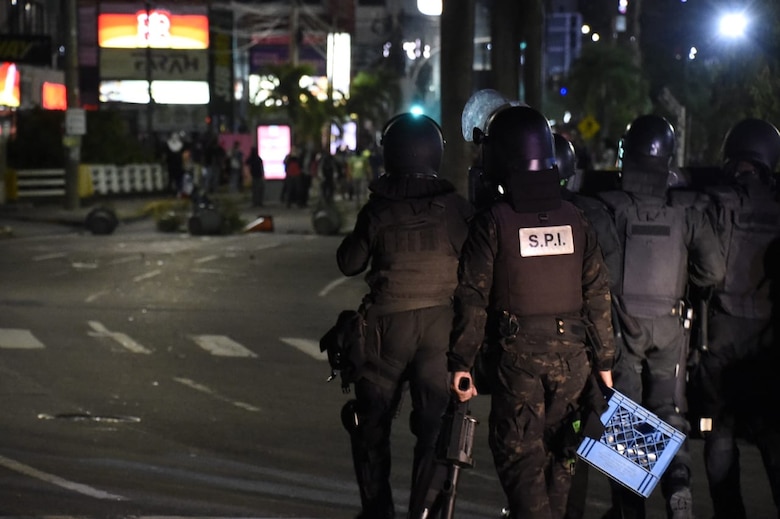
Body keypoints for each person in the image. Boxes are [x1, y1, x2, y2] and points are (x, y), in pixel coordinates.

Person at [448, 103, 616, 519]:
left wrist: (461, 363)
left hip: (518, 365)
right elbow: (598, 295)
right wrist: (605, 363)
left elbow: (472, 298)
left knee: (520, 462)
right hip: (575, 365)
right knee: (563, 463)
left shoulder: (493, 223)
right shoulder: (577, 219)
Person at [336, 112, 474, 519]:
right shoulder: (455, 209)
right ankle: (425, 512)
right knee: (435, 432)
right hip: (441, 332)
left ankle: (378, 511)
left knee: (369, 426)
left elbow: (348, 263)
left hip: (385, 332)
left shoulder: (379, 208)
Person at [595, 114, 726, 519]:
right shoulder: (686, 210)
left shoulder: (610, 206)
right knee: (669, 411)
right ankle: (679, 484)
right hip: (670, 325)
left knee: (627, 419)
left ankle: (631, 510)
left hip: (624, 326)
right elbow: (713, 271)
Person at [687, 118, 780, 519]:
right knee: (772, 432)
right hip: (767, 343)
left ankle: (725, 512)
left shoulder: (715, 201)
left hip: (718, 336)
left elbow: (701, 270)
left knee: (718, 431)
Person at [555, 132, 623, 519]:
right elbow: (606, 290)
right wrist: (605, 362)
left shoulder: (510, 213)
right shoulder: (592, 214)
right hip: (581, 357)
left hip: (527, 355)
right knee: (575, 442)